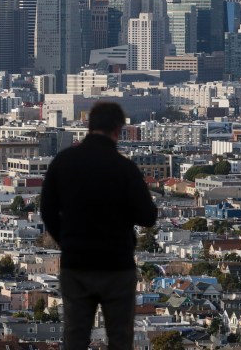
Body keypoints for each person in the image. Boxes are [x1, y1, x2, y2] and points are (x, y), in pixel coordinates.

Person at [41, 102, 158, 349]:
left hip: (77, 263)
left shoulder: (63, 163)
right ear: (119, 129)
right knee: (119, 336)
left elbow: (47, 211)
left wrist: (68, 241)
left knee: (75, 333)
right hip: (116, 264)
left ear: (88, 125)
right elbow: (148, 216)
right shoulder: (125, 168)